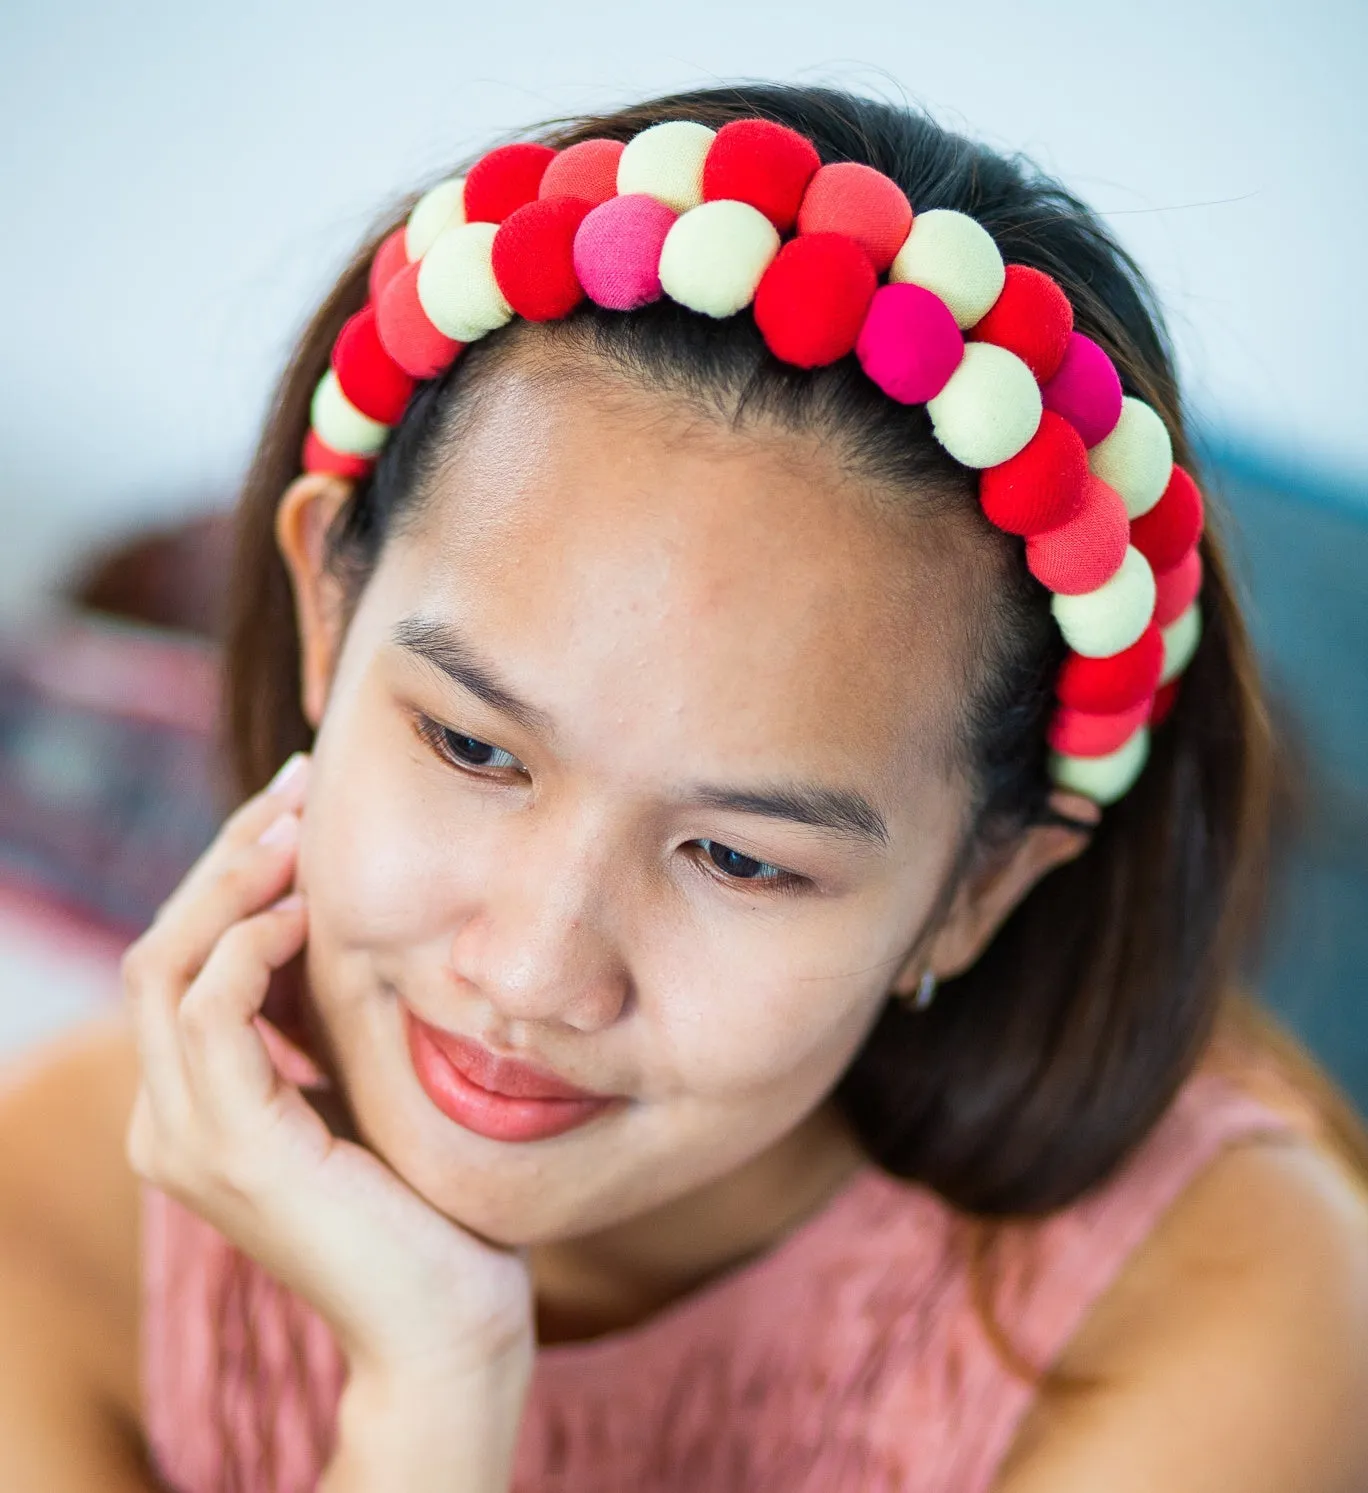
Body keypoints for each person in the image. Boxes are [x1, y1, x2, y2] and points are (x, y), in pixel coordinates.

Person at [1, 80, 1366, 1493]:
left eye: (742, 858)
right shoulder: (46, 1226)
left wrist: (441, 1383)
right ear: (325, 618)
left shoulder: (1223, 1303)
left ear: (977, 890)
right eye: (472, 748)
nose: (531, 973)